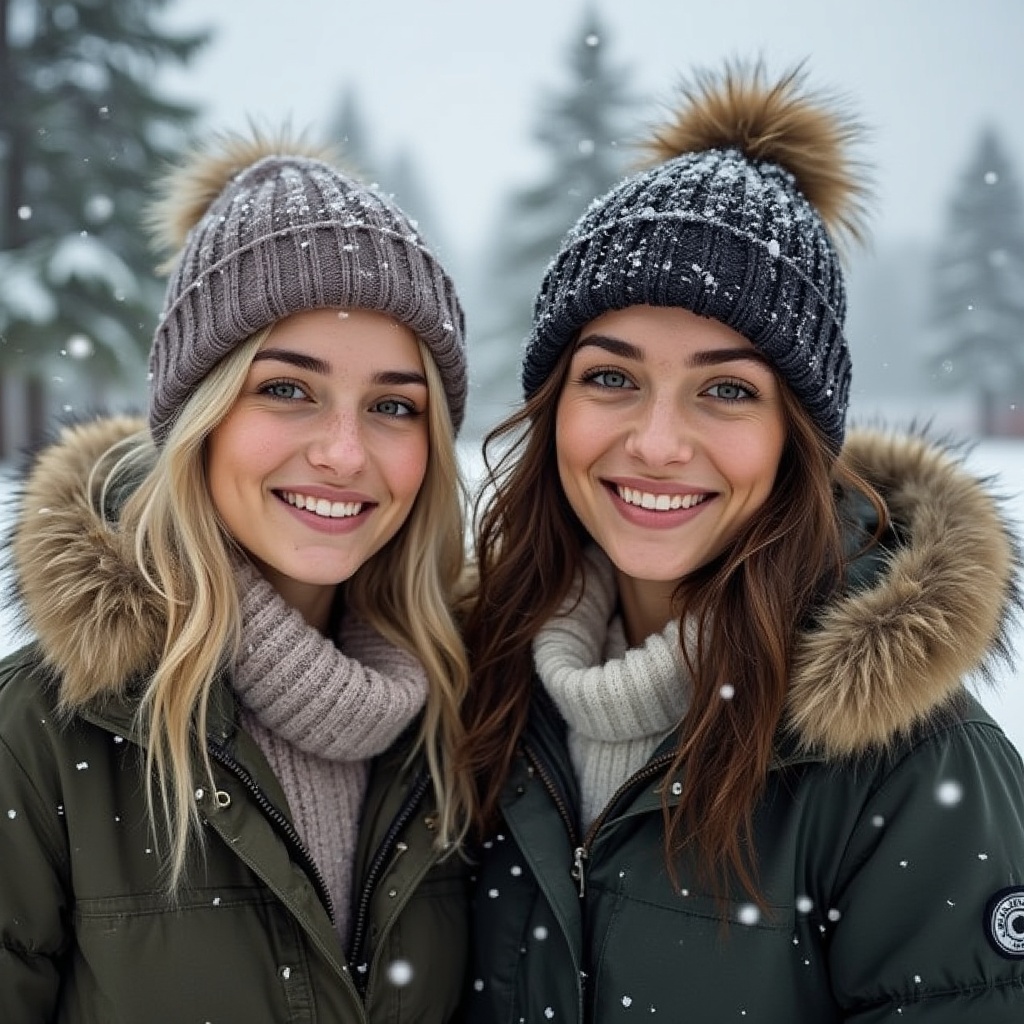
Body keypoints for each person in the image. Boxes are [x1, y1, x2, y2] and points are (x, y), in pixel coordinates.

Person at [459, 62, 1024, 1021]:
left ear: (796, 442)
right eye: (611, 378)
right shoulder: (479, 692)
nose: (658, 442)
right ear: (552, 408)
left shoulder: (908, 763)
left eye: (727, 390)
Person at [0, 130, 472, 1022]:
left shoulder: (462, 723)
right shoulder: (43, 739)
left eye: (393, 406)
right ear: (199, 418)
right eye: (286, 388)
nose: (343, 453)